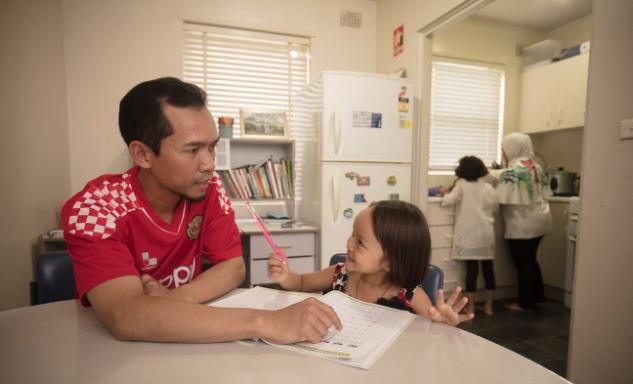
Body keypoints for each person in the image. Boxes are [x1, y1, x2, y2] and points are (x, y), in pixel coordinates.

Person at [61, 77, 341, 344]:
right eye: (192, 150)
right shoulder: (95, 208)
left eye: (212, 147)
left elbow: (233, 267)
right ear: (143, 155)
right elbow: (127, 315)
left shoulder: (207, 187)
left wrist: (176, 298)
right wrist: (266, 322)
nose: (209, 164)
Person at [267, 200, 474, 325]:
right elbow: (301, 283)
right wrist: (286, 276)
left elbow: (429, 336)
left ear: (390, 261)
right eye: (352, 235)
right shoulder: (340, 274)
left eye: (360, 242)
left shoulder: (410, 296)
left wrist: (442, 323)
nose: (348, 244)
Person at [496, 132, 552, 311]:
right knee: (531, 259)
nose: (503, 154)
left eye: (504, 150)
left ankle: (524, 302)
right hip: (541, 220)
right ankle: (537, 296)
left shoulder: (512, 170)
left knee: (522, 262)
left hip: (522, 224)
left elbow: (501, 198)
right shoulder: (536, 167)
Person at [441, 156, 498, 316]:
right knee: (488, 270)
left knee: (472, 271)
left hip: (469, 235)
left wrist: (445, 193)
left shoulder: (461, 185)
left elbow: (448, 201)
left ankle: (471, 307)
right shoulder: (488, 187)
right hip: (486, 235)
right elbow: (495, 207)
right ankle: (488, 307)